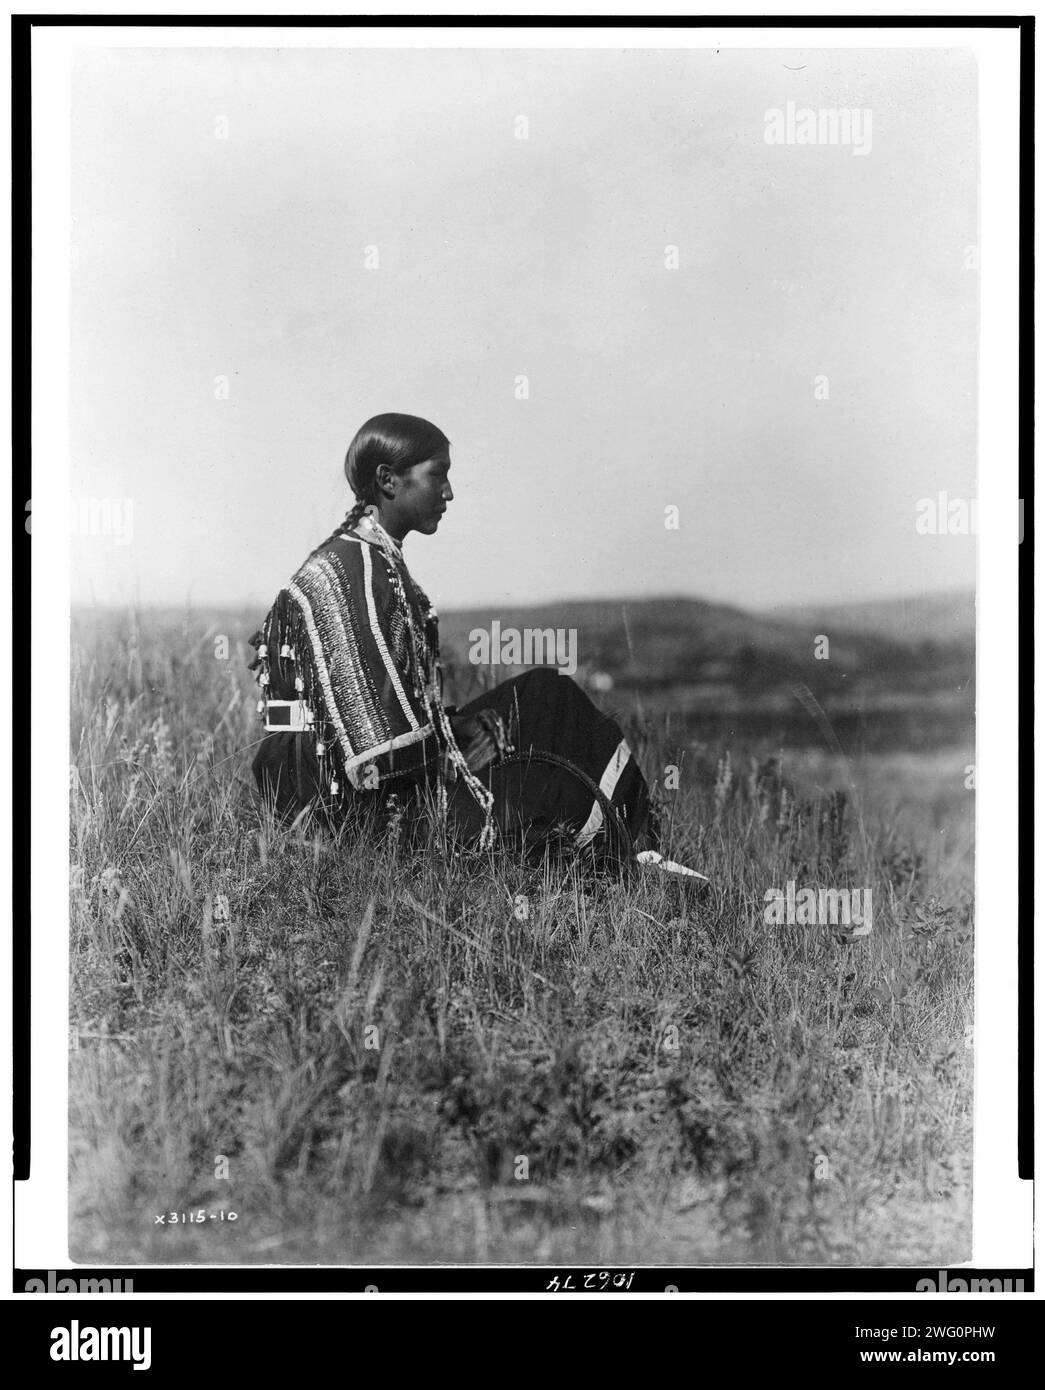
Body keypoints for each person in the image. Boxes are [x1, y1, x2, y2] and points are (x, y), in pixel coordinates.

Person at [249, 412, 663, 873]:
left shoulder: (370, 559)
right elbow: (375, 750)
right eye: (438, 475)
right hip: (331, 795)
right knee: (543, 795)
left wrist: (457, 729)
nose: (448, 492)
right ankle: (625, 856)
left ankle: (633, 837)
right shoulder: (355, 574)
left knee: (548, 697)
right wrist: (454, 748)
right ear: (389, 480)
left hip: (348, 764)